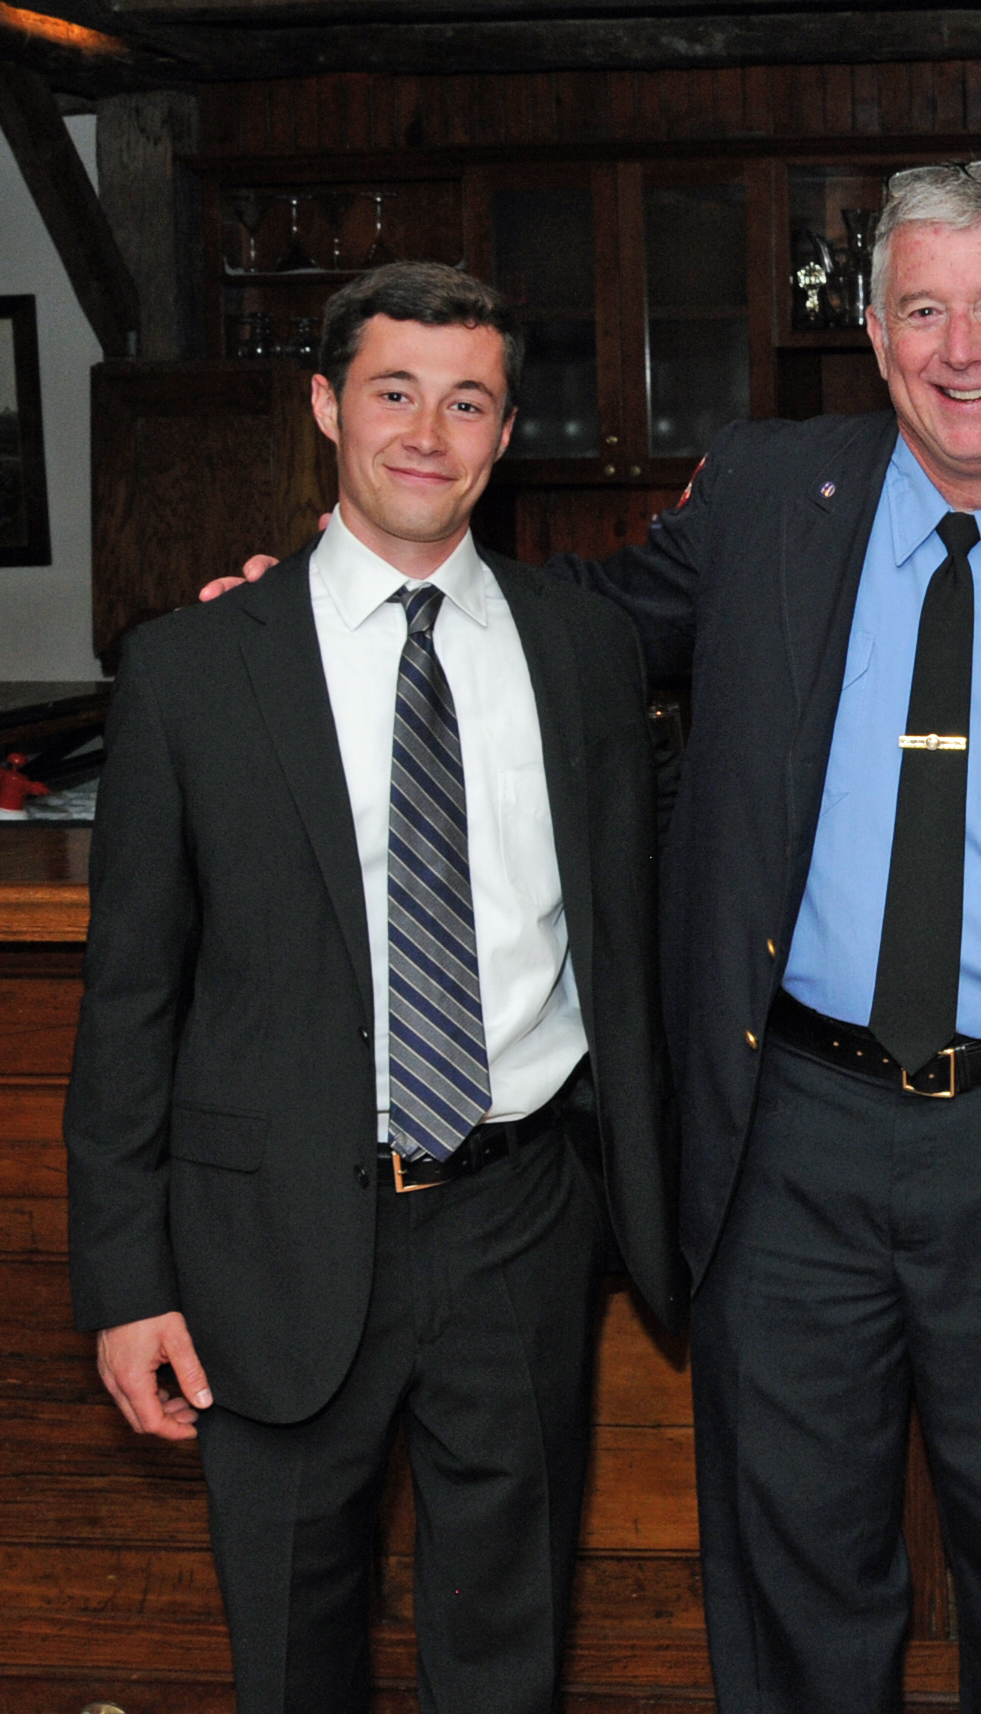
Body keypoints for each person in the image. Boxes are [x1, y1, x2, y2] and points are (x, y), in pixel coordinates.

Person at [67, 261, 683, 1714]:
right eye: (394, 392)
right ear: (328, 405)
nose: (427, 431)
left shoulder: (585, 652)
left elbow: (641, 919)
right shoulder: (193, 667)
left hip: (521, 1221)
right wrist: (126, 1281)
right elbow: (130, 999)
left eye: (465, 401)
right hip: (264, 1238)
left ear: (504, 430)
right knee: (291, 1653)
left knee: (506, 1654)